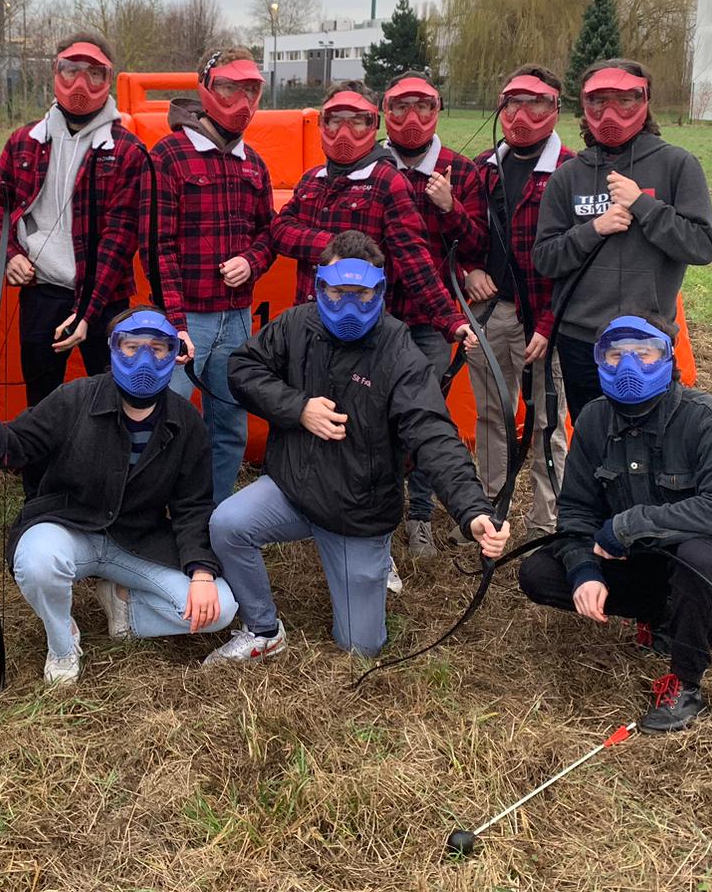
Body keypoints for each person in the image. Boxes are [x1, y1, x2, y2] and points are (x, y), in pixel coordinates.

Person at [205, 231, 510, 663]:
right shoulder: (296, 324)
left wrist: (472, 509)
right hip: (294, 488)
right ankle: (263, 629)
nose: (349, 306)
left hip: (357, 511)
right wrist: (298, 408)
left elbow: (431, 431)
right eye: (337, 292)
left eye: (362, 294)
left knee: (360, 648)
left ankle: (376, 558)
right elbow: (243, 367)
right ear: (319, 287)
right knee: (228, 524)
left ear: (380, 290)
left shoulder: (397, 347)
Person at [517, 314, 712, 732]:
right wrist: (584, 572)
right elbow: (577, 514)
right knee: (540, 573)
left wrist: (628, 526)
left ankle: (686, 684)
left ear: (668, 358)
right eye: (615, 355)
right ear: (599, 361)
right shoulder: (594, 420)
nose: (629, 367)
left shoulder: (710, 419)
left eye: (644, 353)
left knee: (698, 556)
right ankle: (672, 612)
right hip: (648, 559)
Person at [269, 81, 478, 589]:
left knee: (372, 437)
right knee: (316, 422)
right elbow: (280, 231)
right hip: (316, 330)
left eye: (357, 122)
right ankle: (310, 517)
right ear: (320, 127)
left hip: (364, 332)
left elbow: (413, 258)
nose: (344, 134)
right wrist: (335, 248)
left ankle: (378, 539)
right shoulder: (314, 180)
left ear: (374, 125)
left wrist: (451, 320)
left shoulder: (388, 183)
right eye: (333, 121)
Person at [0, 308, 238, 685]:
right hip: (69, 527)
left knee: (221, 608)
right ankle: (62, 643)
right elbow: (16, 446)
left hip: (137, 542)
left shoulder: (187, 422)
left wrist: (202, 572)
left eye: (158, 348)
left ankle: (123, 609)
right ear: (112, 350)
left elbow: (193, 506)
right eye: (132, 347)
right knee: (38, 562)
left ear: (176, 353)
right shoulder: (75, 398)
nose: (144, 359)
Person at [532, 60, 712, 427]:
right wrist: (593, 229)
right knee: (591, 437)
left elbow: (701, 246)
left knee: (653, 442)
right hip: (582, 342)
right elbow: (546, 259)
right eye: (599, 101)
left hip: (648, 339)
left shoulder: (677, 165)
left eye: (625, 100)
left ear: (644, 101)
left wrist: (643, 205)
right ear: (584, 107)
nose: (610, 113)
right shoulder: (568, 177)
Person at [0, 32, 150, 407]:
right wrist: (10, 255)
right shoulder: (23, 141)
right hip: (42, 291)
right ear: (55, 73)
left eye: (94, 74)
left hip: (106, 298)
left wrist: (87, 312)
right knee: (42, 401)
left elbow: (121, 238)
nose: (80, 85)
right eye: (71, 70)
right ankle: (42, 467)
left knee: (115, 398)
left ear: (108, 79)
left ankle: (104, 467)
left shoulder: (128, 151)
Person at [150, 46, 276, 502]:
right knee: (165, 423)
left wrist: (253, 261)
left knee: (230, 427)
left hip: (238, 320)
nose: (240, 101)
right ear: (206, 88)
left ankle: (215, 521)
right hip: (187, 322)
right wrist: (177, 325)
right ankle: (157, 522)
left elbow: (269, 234)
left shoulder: (254, 164)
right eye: (228, 87)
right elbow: (158, 249)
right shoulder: (168, 155)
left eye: (251, 90)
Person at [463, 66, 575, 540]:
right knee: (492, 411)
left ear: (554, 108)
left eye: (536, 104)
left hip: (546, 318)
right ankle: (490, 506)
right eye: (512, 103)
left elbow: (580, 257)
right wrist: (470, 270)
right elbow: (462, 233)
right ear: (500, 106)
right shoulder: (483, 167)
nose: (521, 115)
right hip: (492, 311)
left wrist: (549, 321)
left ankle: (547, 522)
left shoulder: (572, 169)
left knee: (548, 418)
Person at [380, 72, 485, 558]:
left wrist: (449, 209)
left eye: (423, 107)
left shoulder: (459, 171)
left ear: (438, 109)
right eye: (401, 108)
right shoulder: (370, 162)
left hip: (430, 318)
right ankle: (377, 512)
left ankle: (419, 515)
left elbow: (480, 244)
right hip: (376, 315)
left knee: (428, 415)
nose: (412, 120)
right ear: (385, 111)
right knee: (373, 414)